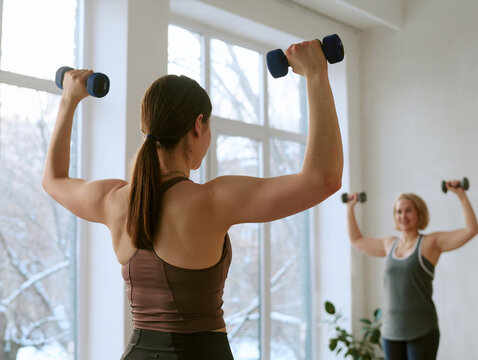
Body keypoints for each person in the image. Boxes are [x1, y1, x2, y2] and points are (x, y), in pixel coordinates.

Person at [42, 39, 342, 359]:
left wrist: (69, 101)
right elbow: (321, 180)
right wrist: (316, 74)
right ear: (199, 125)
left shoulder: (113, 200)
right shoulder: (212, 201)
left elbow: (54, 179)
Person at [345, 183, 478, 360]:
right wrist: (350, 208)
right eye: (398, 211)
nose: (403, 216)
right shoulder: (389, 244)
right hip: (391, 332)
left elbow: (471, 230)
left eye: (408, 210)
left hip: (422, 331)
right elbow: (357, 240)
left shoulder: (430, 243)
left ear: (419, 214)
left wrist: (461, 195)